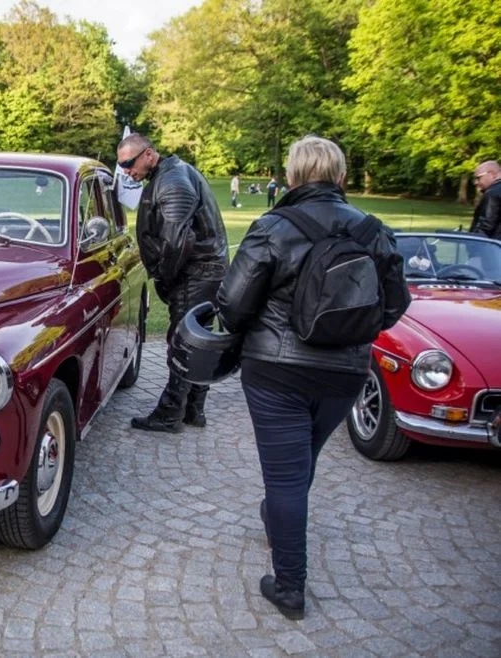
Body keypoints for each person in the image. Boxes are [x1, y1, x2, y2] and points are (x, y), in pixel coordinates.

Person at [215, 135, 411, 619]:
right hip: (344, 372)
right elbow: (395, 305)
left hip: (275, 369)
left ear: (292, 177)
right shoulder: (373, 230)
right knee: (300, 464)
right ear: (341, 177)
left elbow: (234, 305)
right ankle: (279, 520)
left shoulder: (272, 227)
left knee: (285, 477)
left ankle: (289, 586)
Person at [116, 133, 229, 433]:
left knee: (183, 343)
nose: (127, 170)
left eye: (129, 163)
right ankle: (193, 410)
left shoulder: (172, 181)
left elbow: (176, 242)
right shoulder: (173, 173)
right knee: (198, 341)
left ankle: (170, 413)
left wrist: (164, 277)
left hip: (197, 273)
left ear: (149, 155)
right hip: (205, 272)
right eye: (123, 165)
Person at [469, 160, 501, 239]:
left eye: (478, 178)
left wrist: (473, 243)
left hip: (494, 247)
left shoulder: (492, 192)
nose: (475, 182)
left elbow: (486, 225)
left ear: (492, 174)